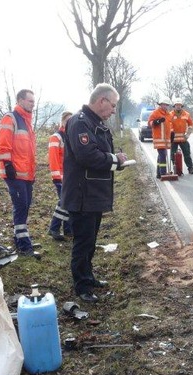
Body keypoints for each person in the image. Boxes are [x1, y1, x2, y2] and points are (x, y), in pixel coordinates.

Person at [61, 83, 129, 303]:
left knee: (91, 241)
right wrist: (112, 160)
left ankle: (88, 277)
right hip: (82, 196)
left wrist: (115, 160)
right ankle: (81, 286)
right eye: (113, 105)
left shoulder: (96, 123)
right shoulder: (80, 122)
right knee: (82, 242)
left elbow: (103, 153)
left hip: (94, 194)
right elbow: (87, 155)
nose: (113, 110)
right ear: (102, 101)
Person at [0, 89, 40, 259]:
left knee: (25, 205)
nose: (33, 104)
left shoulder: (26, 122)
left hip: (26, 174)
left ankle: (21, 238)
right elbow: (3, 144)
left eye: (33, 102)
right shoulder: (11, 118)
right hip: (15, 174)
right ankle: (23, 245)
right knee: (21, 206)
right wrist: (7, 164)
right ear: (20, 100)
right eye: (30, 101)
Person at [47, 111, 73, 241]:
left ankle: (68, 230)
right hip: (61, 177)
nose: (69, 122)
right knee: (64, 202)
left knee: (67, 203)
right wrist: (57, 177)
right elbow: (53, 159)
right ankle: (54, 228)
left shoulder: (70, 136)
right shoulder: (56, 137)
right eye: (67, 120)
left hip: (69, 177)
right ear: (62, 122)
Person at [169, 98, 193, 174]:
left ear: (181, 106)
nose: (178, 106)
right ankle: (176, 168)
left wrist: (187, 134)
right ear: (174, 106)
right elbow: (169, 125)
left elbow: (191, 124)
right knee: (173, 155)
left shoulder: (186, 114)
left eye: (179, 105)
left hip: (183, 138)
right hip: (173, 139)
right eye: (177, 105)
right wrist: (171, 134)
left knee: (187, 154)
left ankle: (190, 168)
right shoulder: (170, 114)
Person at [148, 97, 172, 178]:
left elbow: (170, 125)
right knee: (163, 155)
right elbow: (150, 123)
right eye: (164, 104)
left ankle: (158, 173)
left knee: (161, 155)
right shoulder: (155, 113)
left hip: (166, 139)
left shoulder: (169, 114)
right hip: (159, 139)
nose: (165, 106)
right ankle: (163, 173)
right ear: (160, 104)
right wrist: (157, 121)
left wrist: (172, 133)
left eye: (167, 105)